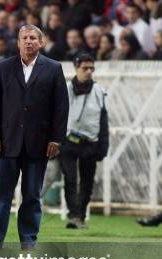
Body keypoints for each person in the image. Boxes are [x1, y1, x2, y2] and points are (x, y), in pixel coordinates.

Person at [0, 24, 68, 249]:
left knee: (31, 196)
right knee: (1, 195)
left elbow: (61, 108)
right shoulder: (3, 68)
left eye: (33, 38)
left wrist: (55, 139)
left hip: (38, 144)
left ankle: (28, 241)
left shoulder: (53, 68)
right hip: (5, 144)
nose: (29, 41)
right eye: (25, 38)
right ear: (18, 43)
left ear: (41, 43)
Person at [60, 53, 109, 229]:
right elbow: (55, 116)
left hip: (90, 142)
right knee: (70, 179)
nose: (89, 72)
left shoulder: (99, 91)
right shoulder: (64, 88)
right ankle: (73, 215)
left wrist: (103, 146)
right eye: (85, 68)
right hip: (68, 140)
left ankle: (80, 216)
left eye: (91, 68)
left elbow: (104, 120)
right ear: (76, 68)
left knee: (87, 181)